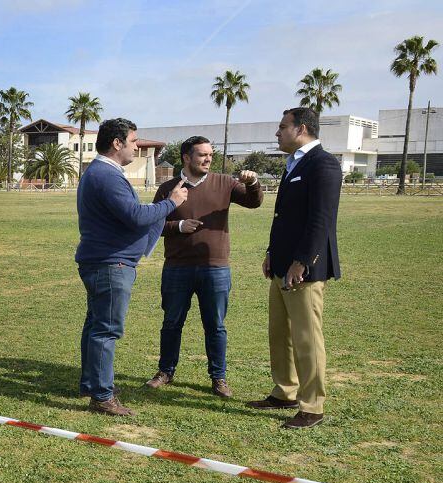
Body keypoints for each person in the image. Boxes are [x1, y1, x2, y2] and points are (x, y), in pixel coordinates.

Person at [76, 118, 188, 416]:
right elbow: (135, 215)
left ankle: (92, 384)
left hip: (102, 260)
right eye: (134, 141)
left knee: (95, 325)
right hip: (111, 263)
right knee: (106, 330)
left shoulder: (99, 172)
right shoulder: (106, 175)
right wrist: (171, 202)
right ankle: (102, 396)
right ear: (117, 143)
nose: (137, 146)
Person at [145, 136, 263, 398]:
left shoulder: (225, 183)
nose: (208, 159)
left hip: (215, 268)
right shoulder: (168, 188)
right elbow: (152, 224)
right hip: (177, 268)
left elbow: (254, 202)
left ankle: (218, 378)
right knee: (172, 322)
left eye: (210, 154)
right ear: (187, 157)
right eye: (202, 155)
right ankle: (165, 371)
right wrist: (178, 226)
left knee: (216, 325)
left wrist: (253, 182)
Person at [246, 107, 341, 429]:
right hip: (282, 264)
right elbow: (284, 217)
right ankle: (284, 391)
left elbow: (321, 219)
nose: (277, 133)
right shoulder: (293, 164)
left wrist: (303, 261)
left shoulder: (323, 163)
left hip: (304, 269)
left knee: (306, 337)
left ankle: (312, 405)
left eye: (282, 127)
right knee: (279, 333)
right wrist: (273, 253)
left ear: (300, 129)